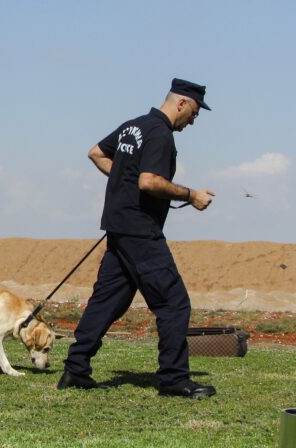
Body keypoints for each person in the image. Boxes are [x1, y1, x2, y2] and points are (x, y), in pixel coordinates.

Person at [57, 78, 216, 398]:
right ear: (182, 103)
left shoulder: (134, 127)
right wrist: (190, 195)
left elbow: (96, 153)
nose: (194, 120)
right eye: (195, 112)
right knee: (174, 303)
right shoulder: (160, 133)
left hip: (119, 226)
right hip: (141, 231)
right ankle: (174, 378)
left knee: (108, 301)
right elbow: (149, 181)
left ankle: (76, 369)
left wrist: (123, 178)